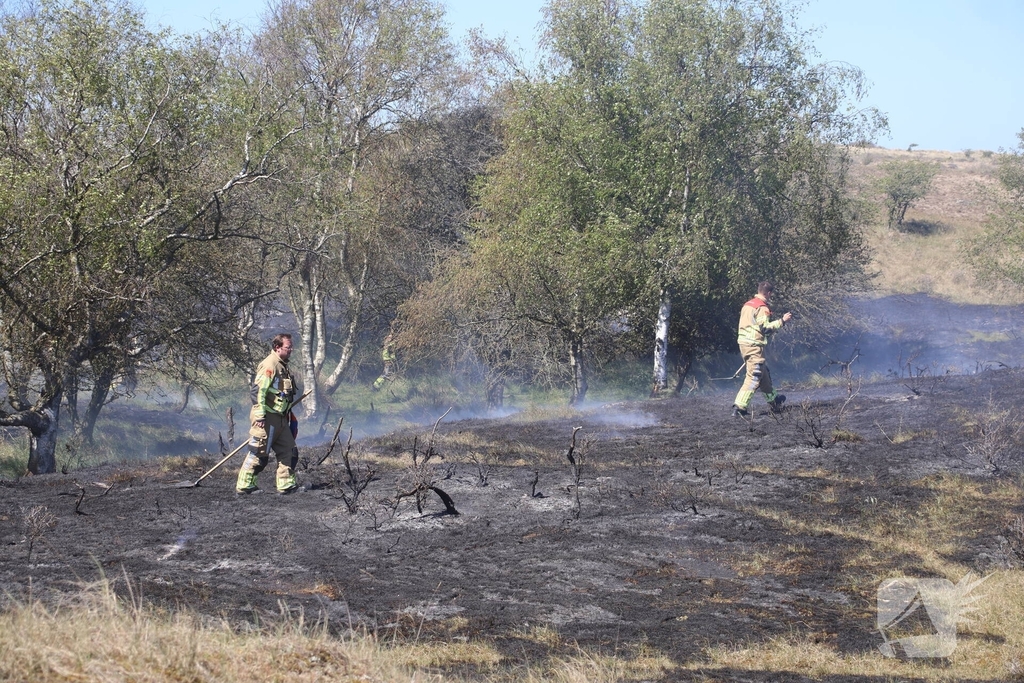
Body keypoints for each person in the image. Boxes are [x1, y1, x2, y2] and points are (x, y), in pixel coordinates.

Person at [236, 333, 300, 494]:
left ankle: (286, 485)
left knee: (289, 450)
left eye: (291, 347)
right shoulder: (269, 365)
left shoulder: (282, 365)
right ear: (277, 348)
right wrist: (259, 416)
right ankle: (245, 486)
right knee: (259, 452)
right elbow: (258, 391)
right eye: (288, 347)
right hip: (267, 417)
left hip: (280, 418)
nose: (291, 350)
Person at [732, 281, 793, 417]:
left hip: (745, 345)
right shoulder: (762, 307)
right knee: (754, 375)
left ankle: (775, 401)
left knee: (763, 373)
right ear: (769, 293)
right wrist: (782, 321)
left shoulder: (748, 305)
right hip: (754, 345)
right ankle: (740, 407)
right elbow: (765, 328)